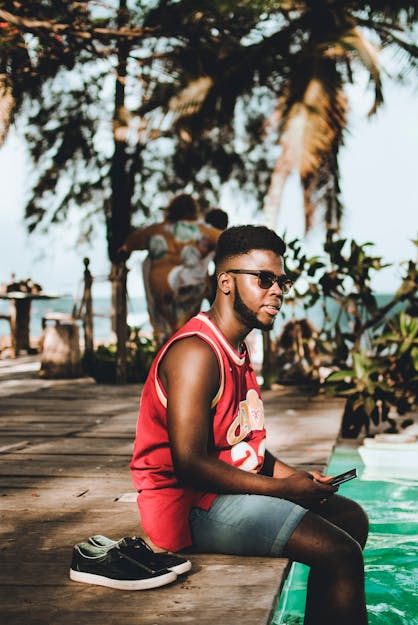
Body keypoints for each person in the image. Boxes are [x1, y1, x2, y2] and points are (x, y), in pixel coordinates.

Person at [130, 225, 369, 625]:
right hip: (185, 507)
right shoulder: (196, 353)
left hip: (218, 494)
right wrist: (280, 490)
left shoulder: (236, 348)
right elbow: (189, 462)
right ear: (225, 281)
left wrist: (298, 479)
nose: (277, 291)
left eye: (282, 281)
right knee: (340, 553)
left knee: (350, 518)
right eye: (264, 279)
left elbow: (241, 441)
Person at [118, 194, 223, 346]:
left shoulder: (156, 230)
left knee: (167, 337)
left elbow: (132, 242)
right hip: (191, 290)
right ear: (194, 211)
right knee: (184, 332)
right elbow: (226, 240)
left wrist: (124, 248)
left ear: (170, 210)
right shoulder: (204, 230)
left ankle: (164, 345)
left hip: (161, 287)